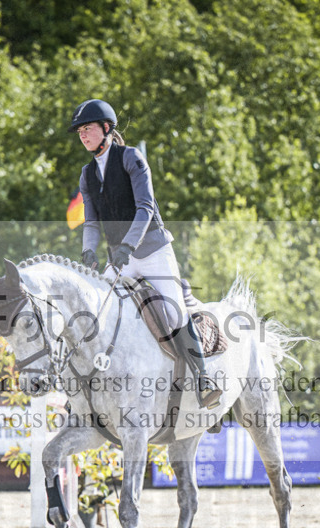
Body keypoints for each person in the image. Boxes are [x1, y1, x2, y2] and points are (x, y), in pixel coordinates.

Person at [69, 98, 222, 408]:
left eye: (88, 129)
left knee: (175, 311)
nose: (83, 135)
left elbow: (145, 208)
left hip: (152, 251)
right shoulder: (87, 174)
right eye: (80, 132)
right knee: (95, 312)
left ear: (106, 128)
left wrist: (128, 245)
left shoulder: (131, 159)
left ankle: (203, 380)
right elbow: (92, 221)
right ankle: (84, 392)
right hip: (120, 259)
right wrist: (88, 252)